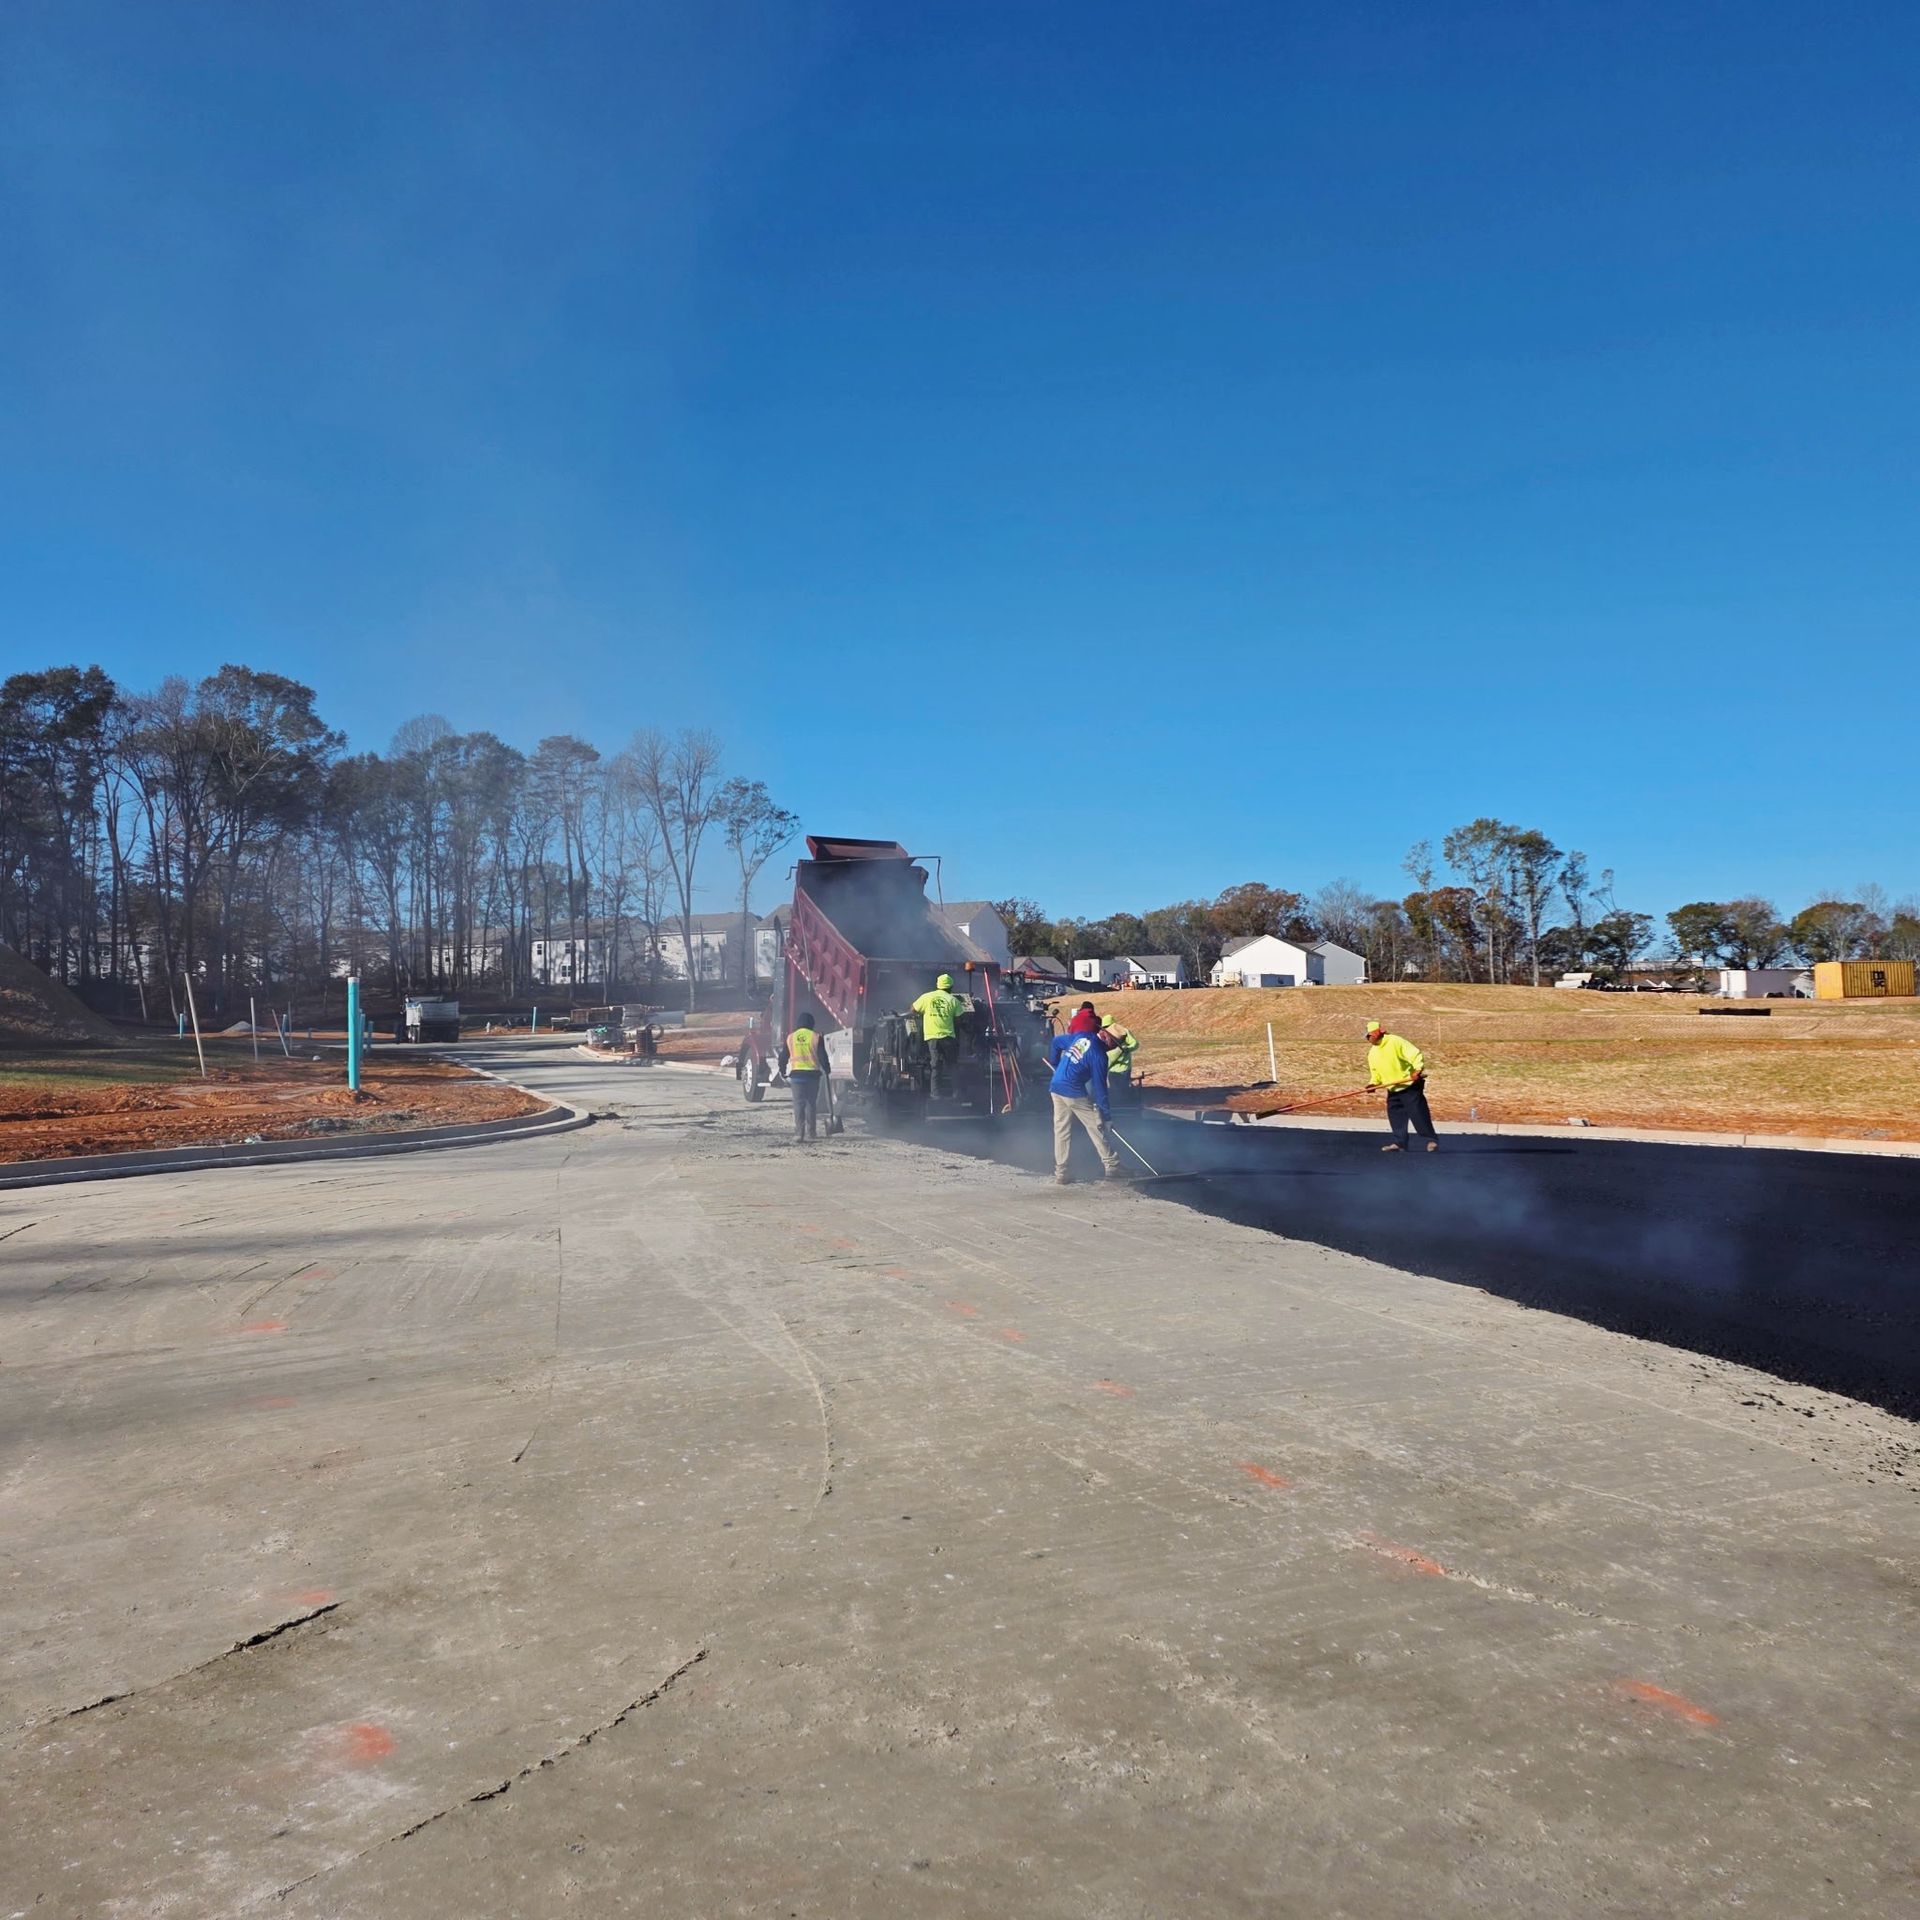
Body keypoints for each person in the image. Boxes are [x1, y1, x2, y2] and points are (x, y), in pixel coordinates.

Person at [1046, 1025, 1125, 1184]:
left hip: (1056, 1086)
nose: (1115, 1047)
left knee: (1061, 1130)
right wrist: (1106, 1117)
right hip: (1073, 1090)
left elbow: (1056, 1041)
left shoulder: (1081, 1035)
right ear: (1106, 1037)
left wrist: (1056, 1064)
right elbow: (1100, 1088)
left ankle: (1061, 1172)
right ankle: (1112, 1165)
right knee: (1096, 1126)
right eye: (1115, 1043)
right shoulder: (1099, 1056)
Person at [1365, 1018, 1437, 1152]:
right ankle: (1400, 1143)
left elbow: (1414, 1053)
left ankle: (1431, 1140)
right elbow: (1375, 1072)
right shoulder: (1372, 1054)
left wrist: (1417, 1069)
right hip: (1392, 1088)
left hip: (1409, 1085)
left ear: (1376, 1033)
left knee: (1418, 1113)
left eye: (1369, 1035)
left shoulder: (1395, 1041)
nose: (1368, 1039)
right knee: (1395, 1115)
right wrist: (1373, 1084)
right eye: (1367, 1037)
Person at [910, 972, 968, 1097]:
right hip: (948, 1037)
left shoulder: (926, 997)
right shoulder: (954, 1001)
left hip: (932, 1037)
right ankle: (956, 1093)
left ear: (937, 985)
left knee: (935, 1065)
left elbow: (913, 1009)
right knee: (952, 1065)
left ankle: (935, 1094)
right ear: (951, 987)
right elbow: (960, 1019)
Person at [780, 1009, 832, 1142]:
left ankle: (799, 1133)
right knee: (811, 1104)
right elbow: (822, 1056)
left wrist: (782, 1069)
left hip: (797, 1077)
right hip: (813, 1077)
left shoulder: (791, 1037)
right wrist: (827, 1069)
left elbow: (783, 1056)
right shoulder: (816, 1037)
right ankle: (811, 1132)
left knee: (798, 1104)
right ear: (811, 1023)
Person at [1100, 1015, 1138, 1099]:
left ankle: (1124, 1107)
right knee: (1115, 1090)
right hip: (1112, 1069)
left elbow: (1135, 1044)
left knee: (1122, 1091)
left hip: (1123, 1068)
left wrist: (1127, 1049)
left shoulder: (1123, 1032)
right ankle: (1122, 1105)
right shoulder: (1104, 1035)